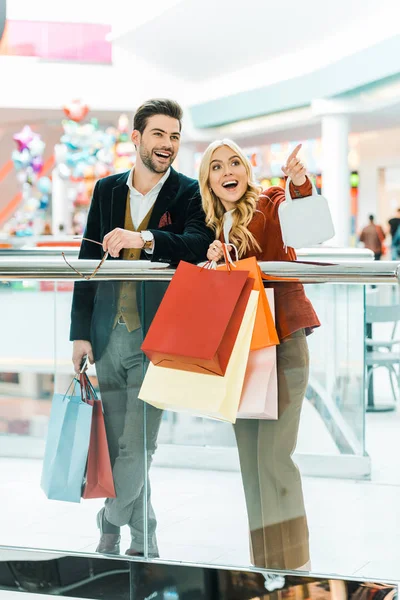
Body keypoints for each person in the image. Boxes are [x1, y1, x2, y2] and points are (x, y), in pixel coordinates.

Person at [70, 99, 214, 557]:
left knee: (139, 445)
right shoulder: (107, 190)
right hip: (107, 336)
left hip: (159, 339)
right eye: (159, 135)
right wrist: (79, 332)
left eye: (174, 136)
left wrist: (145, 238)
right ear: (136, 138)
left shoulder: (190, 192)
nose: (168, 145)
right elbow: (89, 260)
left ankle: (107, 521)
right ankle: (143, 537)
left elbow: (197, 244)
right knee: (118, 445)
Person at [199, 139, 321, 570]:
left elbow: (302, 221)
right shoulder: (214, 226)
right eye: (217, 166)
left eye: (234, 162)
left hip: (283, 343)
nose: (227, 171)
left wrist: (300, 183)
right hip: (242, 354)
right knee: (251, 463)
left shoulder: (269, 201)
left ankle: (296, 566)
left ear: (247, 171)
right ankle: (267, 565)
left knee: (274, 458)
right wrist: (216, 255)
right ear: (209, 180)